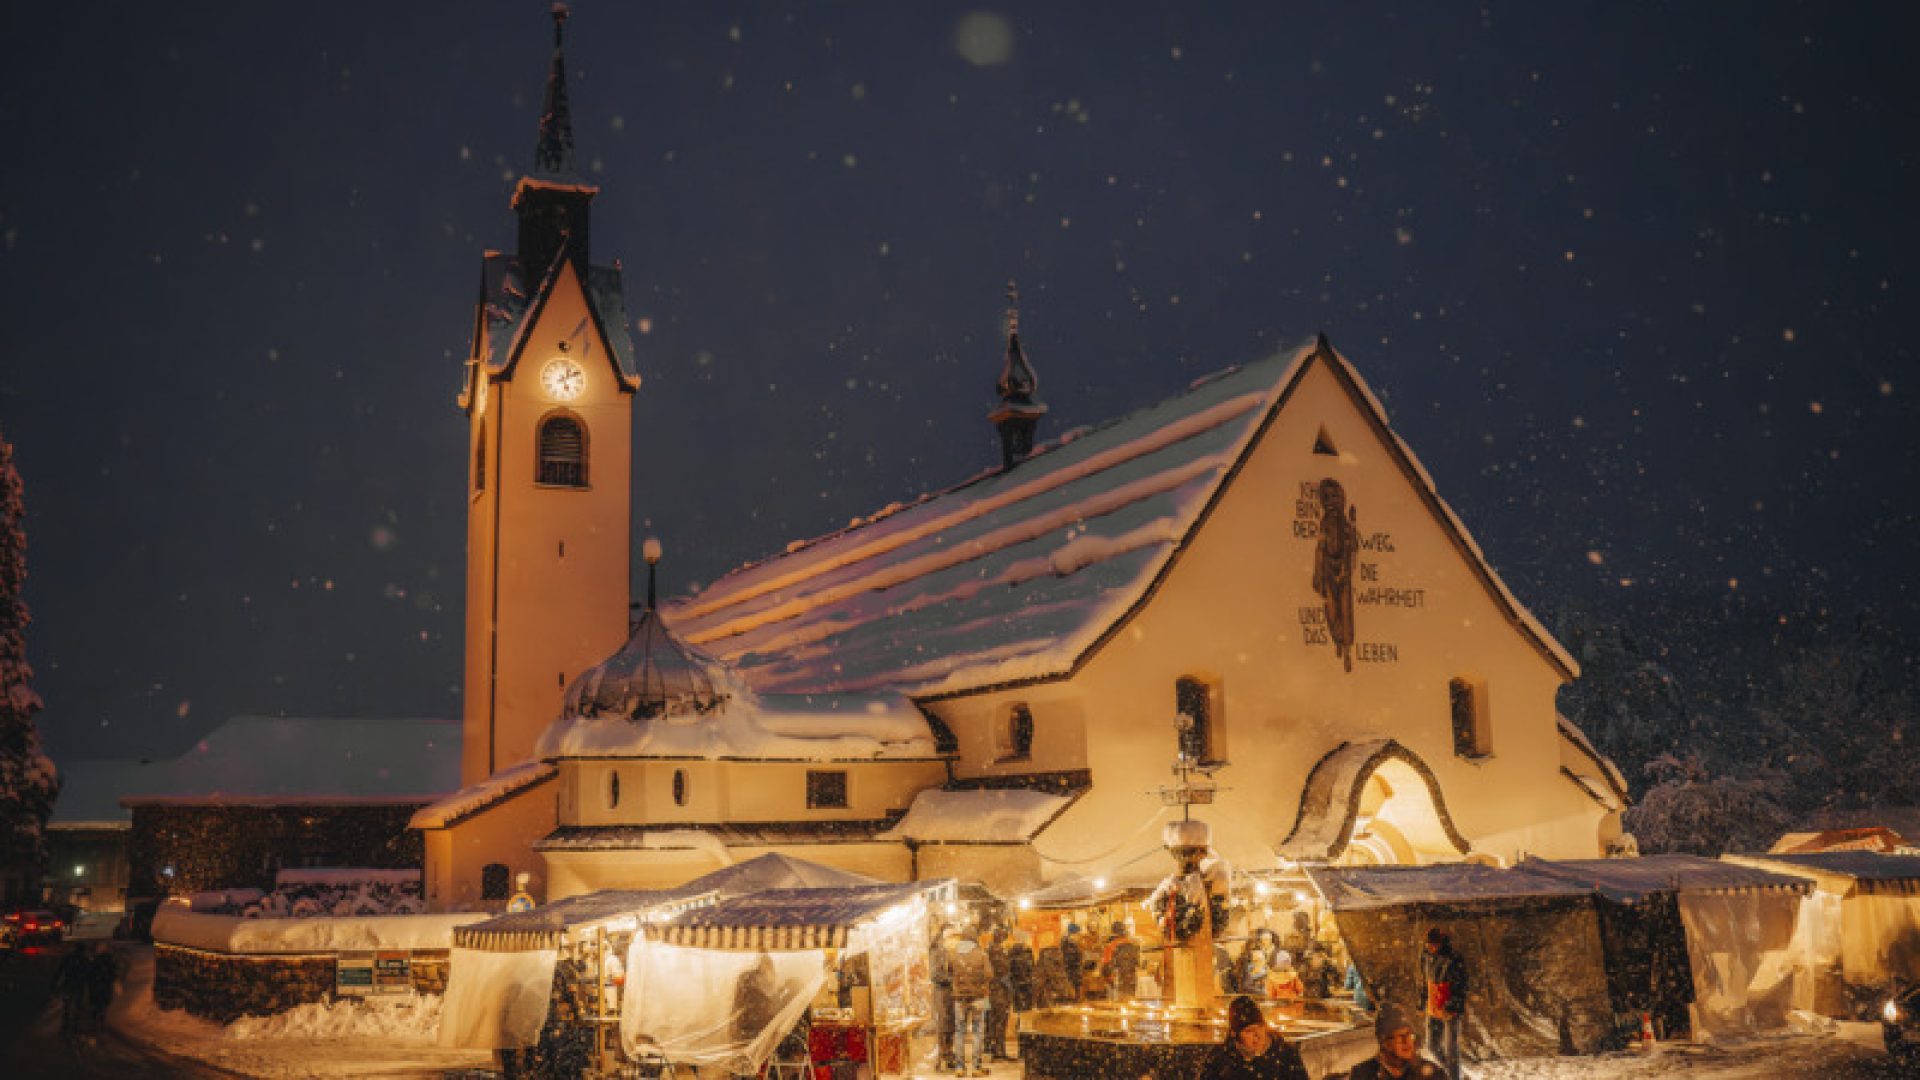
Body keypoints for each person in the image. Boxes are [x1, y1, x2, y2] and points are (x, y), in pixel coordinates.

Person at [1196, 995, 1309, 1080]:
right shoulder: (1220, 1060)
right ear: (1236, 1035)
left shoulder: (1285, 1053)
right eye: (1249, 1031)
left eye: (1259, 1027)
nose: (1257, 1036)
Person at [1347, 1004, 1444, 1080]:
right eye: (1401, 1036)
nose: (1407, 1041)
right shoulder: (1362, 1074)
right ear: (1385, 1042)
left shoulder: (1433, 1074)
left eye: (1410, 1035)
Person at [1420, 928, 1467, 1080]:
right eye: (1428, 944)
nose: (1430, 947)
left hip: (1450, 1011)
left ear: (1441, 943)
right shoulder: (1426, 956)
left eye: (1433, 945)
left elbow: (1462, 985)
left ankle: (1454, 1077)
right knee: (1432, 1046)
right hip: (1432, 1008)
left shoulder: (1453, 958)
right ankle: (1451, 1073)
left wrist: (1451, 1006)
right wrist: (1422, 1003)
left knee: (1452, 1050)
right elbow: (1423, 981)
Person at [948, 931, 993, 1077]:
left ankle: (959, 1067)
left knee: (960, 1032)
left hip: (959, 998)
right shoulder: (982, 953)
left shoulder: (953, 954)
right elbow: (989, 974)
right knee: (978, 1031)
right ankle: (976, 1067)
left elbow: (949, 972)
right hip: (980, 997)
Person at [930, 924, 957, 1070]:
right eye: (951, 934)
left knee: (949, 1024)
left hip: (949, 992)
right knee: (944, 1024)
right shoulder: (938, 950)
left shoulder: (947, 949)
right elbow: (935, 974)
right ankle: (943, 1056)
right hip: (942, 992)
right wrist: (952, 979)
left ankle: (948, 1054)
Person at [985, 927, 1014, 1061]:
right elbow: (1003, 972)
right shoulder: (998, 952)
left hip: (991, 991)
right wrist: (1010, 988)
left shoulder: (989, 951)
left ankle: (991, 1048)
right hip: (999, 992)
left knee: (992, 1020)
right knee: (1000, 1022)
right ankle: (999, 1051)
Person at [1100, 920, 1140, 1002]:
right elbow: (1137, 962)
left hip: (1116, 980)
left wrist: (1105, 978)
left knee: (1117, 1006)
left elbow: (1106, 966)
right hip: (1131, 979)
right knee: (1130, 1002)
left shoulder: (1110, 947)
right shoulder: (1133, 945)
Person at [1006, 930, 1035, 1014]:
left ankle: (1018, 1019)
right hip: (1027, 981)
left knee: (1017, 1005)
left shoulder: (1011, 952)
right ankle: (1025, 1020)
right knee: (1027, 1007)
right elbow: (1032, 967)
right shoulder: (1028, 952)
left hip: (1015, 982)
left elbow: (1008, 968)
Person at [1059, 922, 1084, 1000]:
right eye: (1077, 933)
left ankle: (1073, 998)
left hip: (1071, 970)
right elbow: (1072, 958)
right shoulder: (1070, 944)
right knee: (1073, 988)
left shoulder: (1067, 943)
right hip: (1072, 971)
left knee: (1073, 988)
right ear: (1073, 933)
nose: (1079, 935)